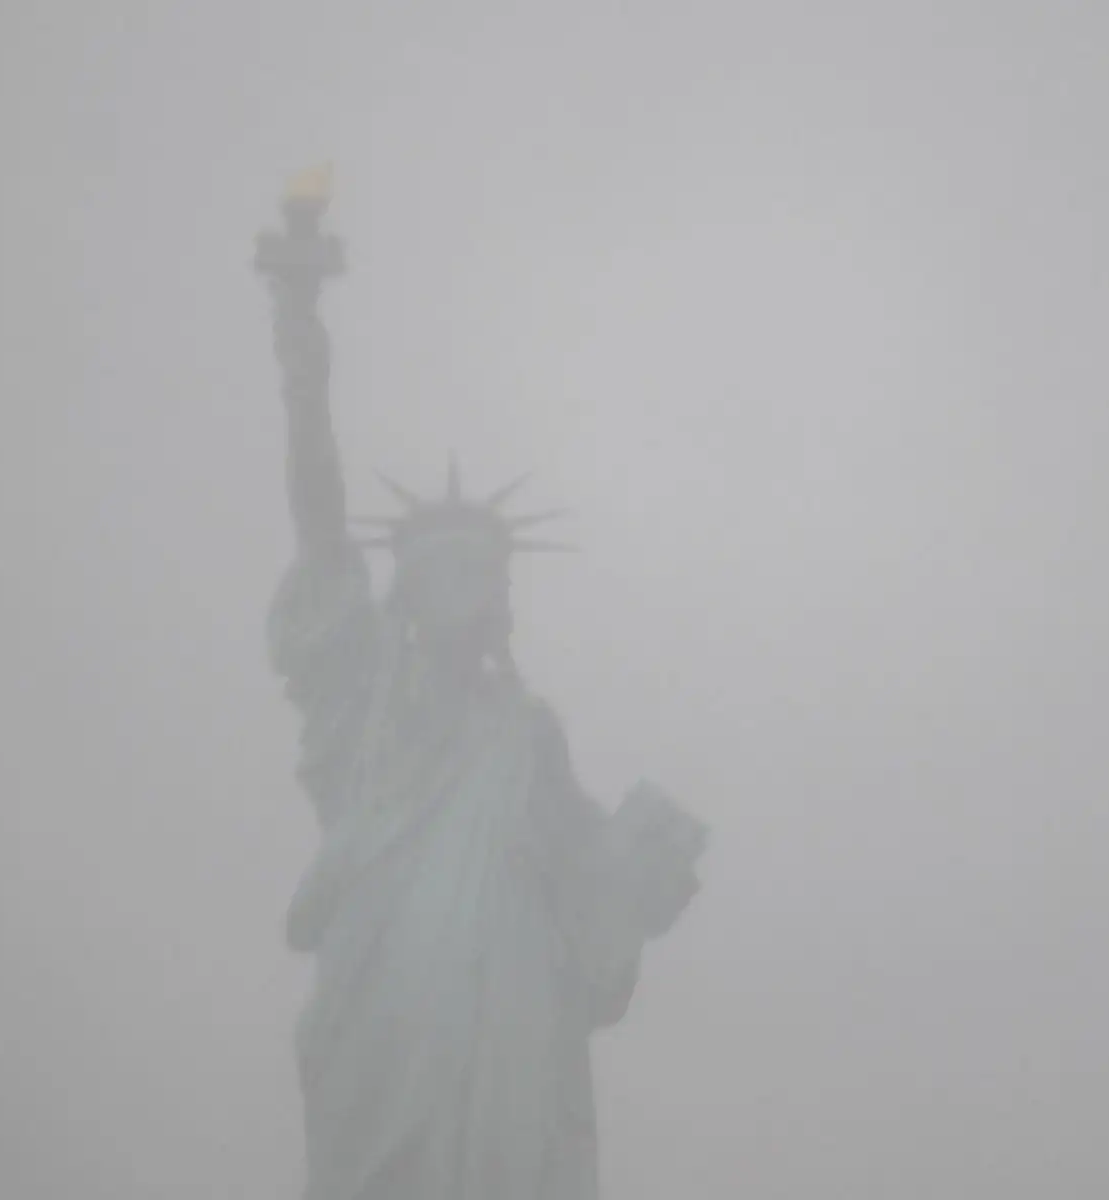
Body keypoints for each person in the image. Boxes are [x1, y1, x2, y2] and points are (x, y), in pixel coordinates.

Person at [255, 166, 705, 1200]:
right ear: (407, 588)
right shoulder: (362, 684)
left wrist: (644, 860)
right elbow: (319, 512)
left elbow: (582, 868)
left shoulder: (526, 731)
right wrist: (299, 338)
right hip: (391, 993)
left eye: (483, 570)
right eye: (445, 567)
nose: (469, 586)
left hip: (508, 1005)